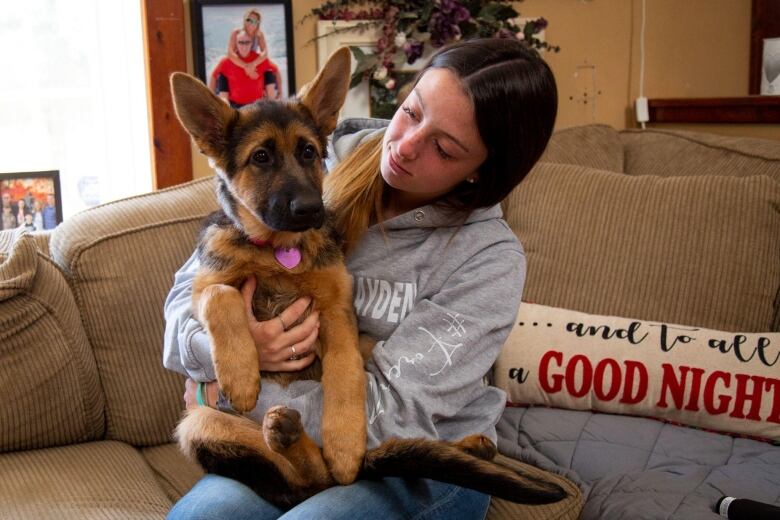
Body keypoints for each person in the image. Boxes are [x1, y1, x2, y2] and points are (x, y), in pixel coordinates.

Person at [164, 37, 557, 520]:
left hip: (418, 457)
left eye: (443, 147)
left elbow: (396, 412)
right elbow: (185, 302)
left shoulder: (489, 260)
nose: (407, 145)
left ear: (480, 171)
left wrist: (215, 395)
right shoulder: (326, 152)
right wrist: (219, 355)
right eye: (413, 112)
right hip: (277, 429)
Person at [221, 8, 283, 100]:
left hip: (252, 61)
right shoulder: (237, 33)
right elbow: (230, 53)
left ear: (258, 23)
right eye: (249, 20)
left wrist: (253, 65)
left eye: (254, 21)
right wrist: (246, 67)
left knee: (272, 70)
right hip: (237, 62)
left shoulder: (259, 35)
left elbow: (264, 53)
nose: (251, 23)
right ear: (244, 20)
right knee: (224, 73)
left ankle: (276, 97)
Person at [209, 30, 279, 108]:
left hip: (256, 106)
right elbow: (214, 76)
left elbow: (276, 70)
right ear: (236, 43)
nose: (244, 46)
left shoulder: (260, 60)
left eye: (247, 42)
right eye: (241, 42)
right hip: (235, 106)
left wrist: (279, 93)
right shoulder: (226, 61)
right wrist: (211, 99)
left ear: (252, 43)